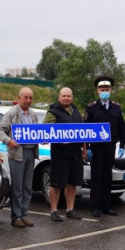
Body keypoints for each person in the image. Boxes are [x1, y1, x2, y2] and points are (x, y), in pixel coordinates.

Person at [0, 87, 39, 228]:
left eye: (30, 98)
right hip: (17, 155)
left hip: (31, 153)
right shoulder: (12, 113)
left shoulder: (33, 114)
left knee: (27, 187)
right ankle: (16, 217)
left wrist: (42, 138)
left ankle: (24, 214)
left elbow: (36, 133)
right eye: (25, 97)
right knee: (17, 188)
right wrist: (9, 141)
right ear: (19, 98)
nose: (28, 100)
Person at [83, 76, 125, 218]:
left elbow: (121, 127)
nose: (105, 91)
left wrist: (123, 145)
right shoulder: (91, 108)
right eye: (102, 89)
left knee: (107, 177)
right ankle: (95, 207)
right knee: (96, 177)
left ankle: (107, 205)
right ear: (97, 91)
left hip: (111, 147)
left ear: (111, 90)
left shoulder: (116, 107)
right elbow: (85, 129)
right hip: (96, 148)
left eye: (107, 89)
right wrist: (87, 147)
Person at [42, 87, 87, 222]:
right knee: (56, 184)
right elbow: (43, 131)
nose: (66, 98)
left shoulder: (77, 112)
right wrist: (57, 139)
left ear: (72, 97)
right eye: (64, 96)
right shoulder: (52, 112)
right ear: (59, 97)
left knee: (72, 183)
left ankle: (70, 209)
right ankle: (54, 211)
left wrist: (84, 149)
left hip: (75, 154)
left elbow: (83, 132)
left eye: (69, 96)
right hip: (60, 154)